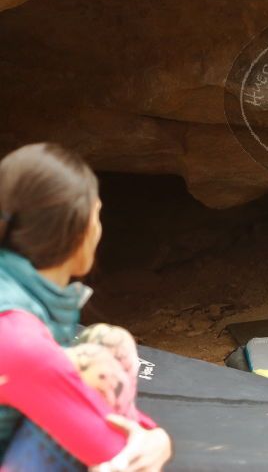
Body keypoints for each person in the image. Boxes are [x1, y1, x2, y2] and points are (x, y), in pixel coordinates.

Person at [0, 143, 172, 471]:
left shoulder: (16, 286)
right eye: (97, 215)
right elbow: (115, 450)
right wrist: (152, 444)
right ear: (80, 230)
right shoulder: (16, 334)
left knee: (110, 341)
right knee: (95, 359)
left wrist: (154, 436)